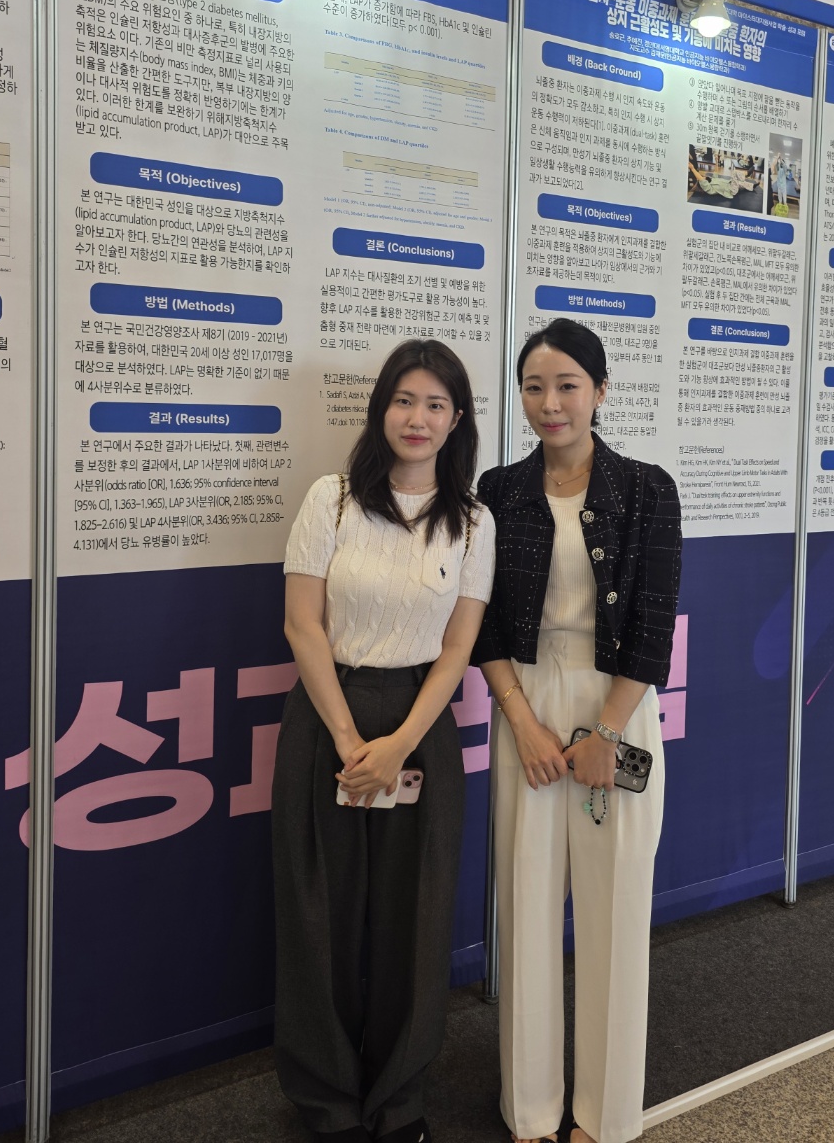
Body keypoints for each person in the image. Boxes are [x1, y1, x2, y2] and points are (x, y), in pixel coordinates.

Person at [272, 338, 495, 1143]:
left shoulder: (473, 521)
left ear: (456, 420)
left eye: (436, 404)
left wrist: (399, 743)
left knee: (417, 917)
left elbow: (458, 648)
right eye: (404, 400)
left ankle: (400, 1100)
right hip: (326, 710)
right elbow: (302, 624)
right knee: (317, 913)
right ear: (381, 409)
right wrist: (346, 737)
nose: (417, 417)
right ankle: (326, 1101)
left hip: (420, 723)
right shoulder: (331, 500)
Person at [474, 318, 683, 1143]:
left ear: (600, 390)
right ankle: (529, 1112)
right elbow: (483, 622)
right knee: (526, 905)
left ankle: (604, 1116)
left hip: (616, 706)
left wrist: (605, 732)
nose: (550, 403)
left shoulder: (647, 488)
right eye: (535, 387)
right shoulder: (498, 490)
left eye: (567, 385)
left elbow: (655, 625)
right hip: (524, 703)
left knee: (615, 908)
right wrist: (521, 722)